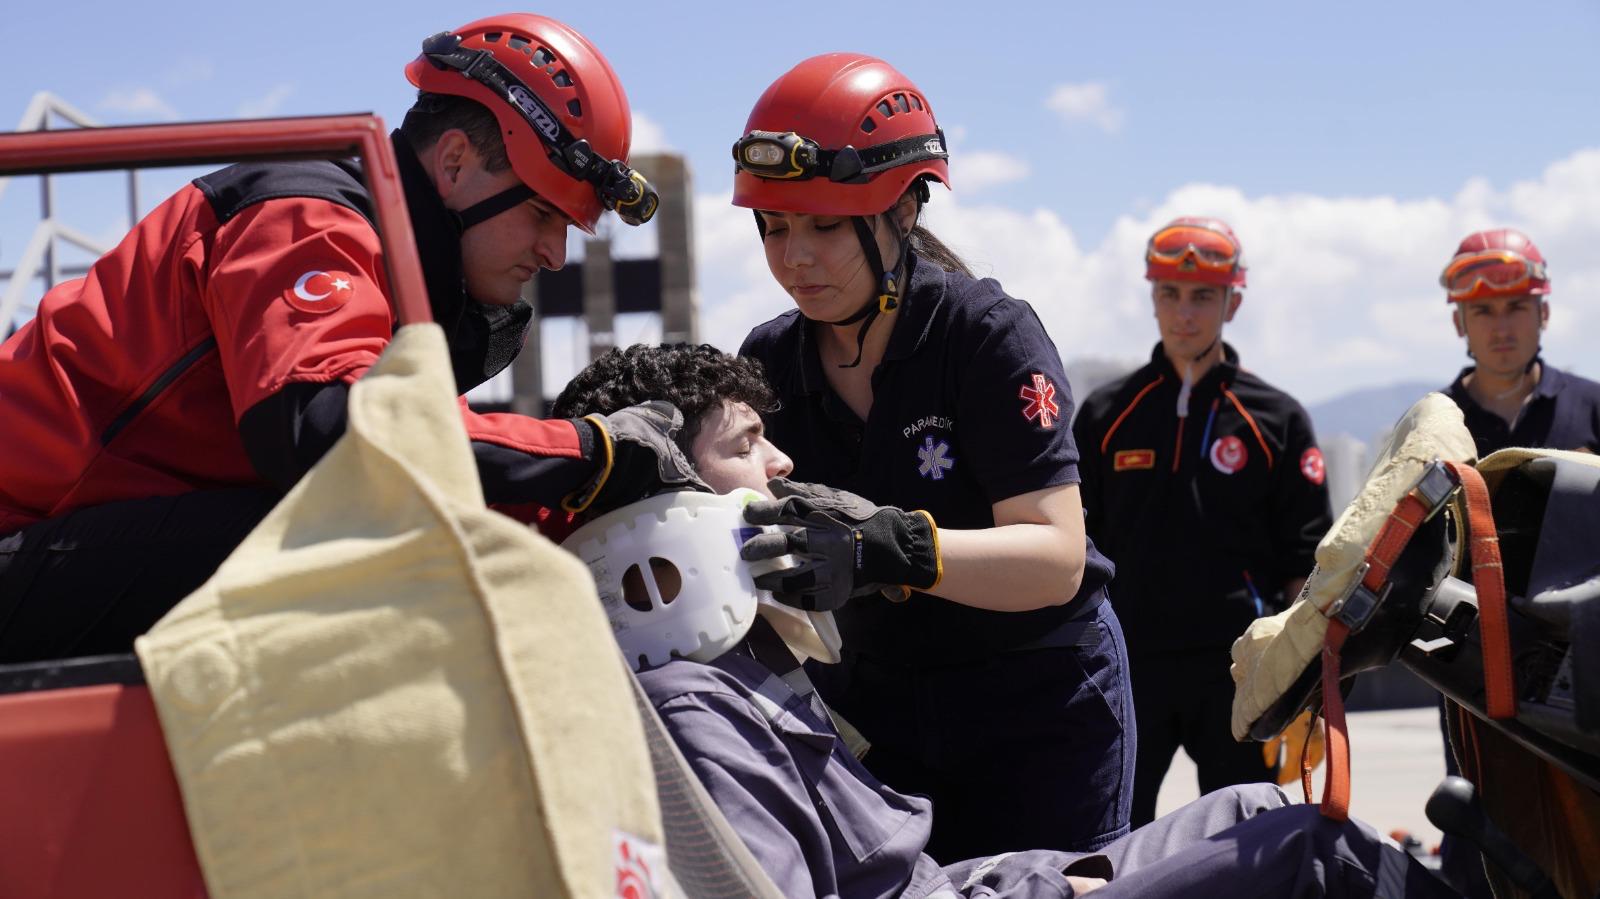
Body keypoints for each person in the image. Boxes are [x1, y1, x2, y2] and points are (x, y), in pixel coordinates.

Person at [557, 343, 1461, 899]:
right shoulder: (691, 714)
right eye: (747, 443)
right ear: (668, 504)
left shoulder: (749, 664)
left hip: (980, 881)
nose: (784, 462)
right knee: (1305, 853)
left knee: (1260, 805)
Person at [0, 14, 702, 665]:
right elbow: (324, 431)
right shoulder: (309, 214)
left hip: (83, 542)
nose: (554, 254)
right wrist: (595, 451)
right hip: (23, 542)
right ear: (454, 163)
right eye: (544, 215)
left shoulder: (391, 263)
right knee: (374, 543)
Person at [729, 54, 1132, 859]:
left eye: (822, 225)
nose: (794, 257)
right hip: (883, 709)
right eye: (775, 227)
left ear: (902, 211)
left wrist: (888, 546)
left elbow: (1054, 557)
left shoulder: (987, 336)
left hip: (1039, 703)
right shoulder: (770, 361)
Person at [1071, 217, 1333, 826]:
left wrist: (1308, 685)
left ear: (1232, 302)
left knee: (1247, 840)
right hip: (1128, 666)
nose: (1184, 313)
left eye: (1203, 297)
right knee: (1109, 839)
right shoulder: (1108, 412)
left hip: (1239, 669)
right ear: (1152, 296)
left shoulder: (1277, 418)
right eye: (1170, 294)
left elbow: (1307, 567)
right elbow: (1074, 547)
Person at [1432, 227, 1600, 898]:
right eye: (1483, 311)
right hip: (1475, 677)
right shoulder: (1438, 427)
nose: (1501, 326)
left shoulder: (1591, 409)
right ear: (1459, 321)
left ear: (1545, 313)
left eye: (1516, 308)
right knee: (1483, 840)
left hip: (1586, 672)